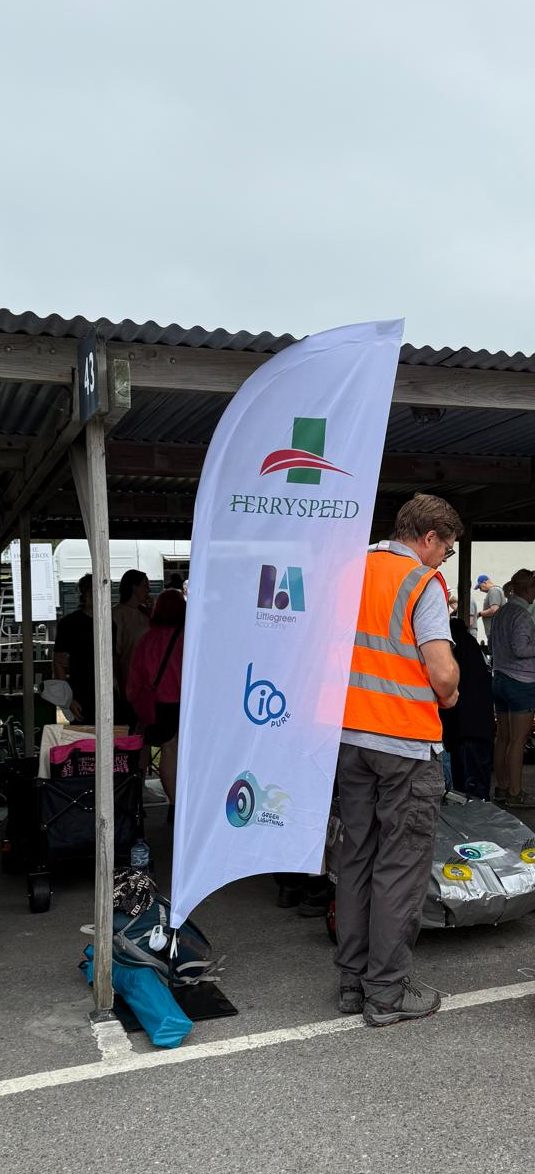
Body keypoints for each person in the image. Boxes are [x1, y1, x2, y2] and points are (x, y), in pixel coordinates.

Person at [335, 492, 462, 1027]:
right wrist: (450, 693)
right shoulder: (421, 583)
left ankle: (352, 980)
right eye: (447, 550)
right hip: (404, 743)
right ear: (429, 537)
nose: (444, 560)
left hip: (349, 738)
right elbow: (443, 674)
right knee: (400, 865)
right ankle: (386, 991)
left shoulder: (350, 568)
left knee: (356, 857)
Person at [127, 589, 186, 814]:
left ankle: (170, 803)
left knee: (160, 749)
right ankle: (181, 806)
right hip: (182, 704)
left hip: (156, 705)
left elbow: (135, 678)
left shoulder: (147, 639)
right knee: (178, 752)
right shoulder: (188, 639)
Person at [491, 568, 535, 806]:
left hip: (500, 678)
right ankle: (516, 793)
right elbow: (520, 649)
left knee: (503, 738)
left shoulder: (502, 612)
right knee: (518, 740)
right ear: (528, 589)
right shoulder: (521, 615)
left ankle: (502, 787)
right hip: (521, 682)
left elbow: (494, 645)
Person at [440, 618, 494, 800]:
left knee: (466, 787)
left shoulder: (451, 647)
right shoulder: (469, 644)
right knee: (475, 784)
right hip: (477, 725)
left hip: (463, 725)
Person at [53, 574, 95, 723]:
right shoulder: (69, 624)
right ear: (86, 594)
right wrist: (69, 699)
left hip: (108, 691)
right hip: (80, 693)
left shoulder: (111, 623)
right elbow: (58, 662)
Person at [112, 570, 152, 722]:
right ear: (134, 587)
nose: (148, 589)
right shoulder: (118, 614)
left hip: (148, 678)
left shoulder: (145, 613)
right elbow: (117, 649)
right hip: (128, 675)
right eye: (144, 585)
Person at [474, 575, 506, 643]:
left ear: (484, 583)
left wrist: (480, 614)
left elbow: (494, 610)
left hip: (495, 632)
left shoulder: (493, 591)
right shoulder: (497, 590)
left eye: (480, 587)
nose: (480, 590)